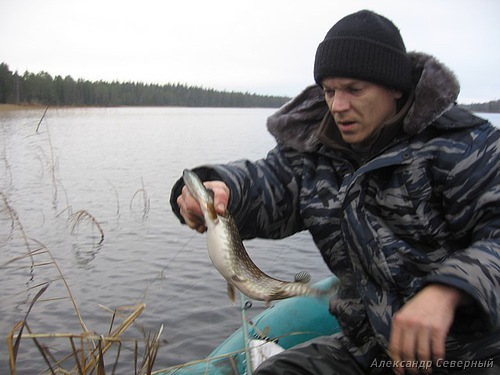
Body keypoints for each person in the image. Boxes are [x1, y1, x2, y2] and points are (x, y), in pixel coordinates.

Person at [170, 10, 500, 375]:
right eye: (329, 91)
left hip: (469, 355)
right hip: (369, 350)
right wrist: (220, 187)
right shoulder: (314, 153)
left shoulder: (468, 147)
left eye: (354, 90)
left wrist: (449, 289)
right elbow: (265, 182)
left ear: (395, 89)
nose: (338, 106)